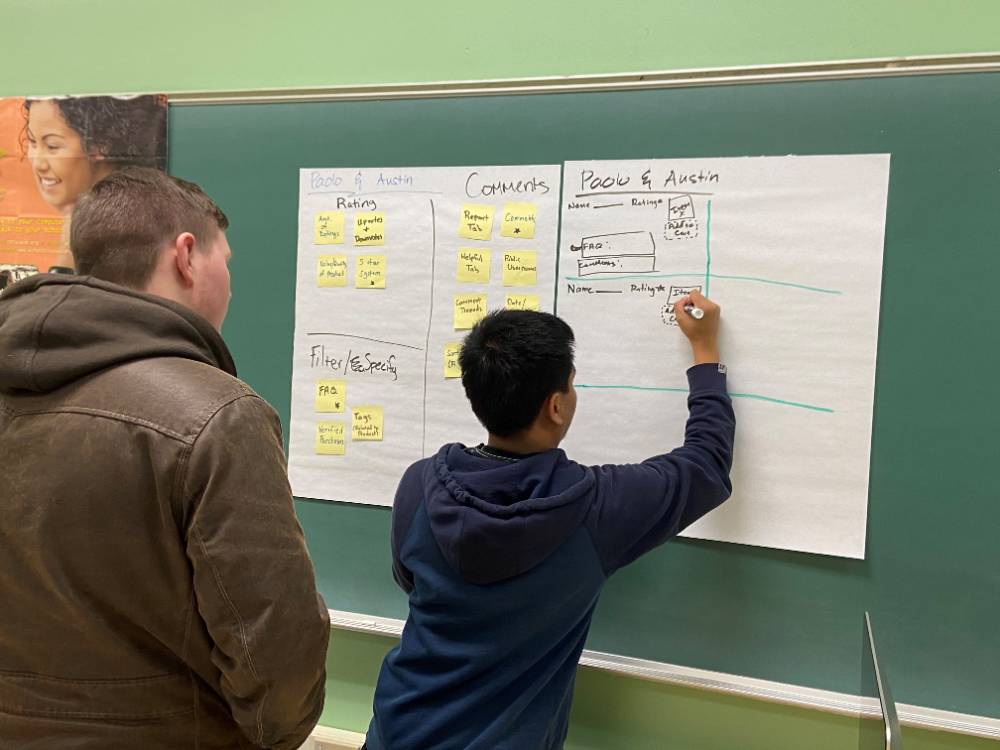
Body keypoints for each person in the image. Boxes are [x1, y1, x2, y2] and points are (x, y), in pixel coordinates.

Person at [0, 167, 330, 749]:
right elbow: (275, 651)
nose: (229, 281)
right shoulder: (217, 415)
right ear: (185, 256)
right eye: (224, 261)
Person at [364, 294, 735, 750]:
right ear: (555, 407)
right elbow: (706, 465)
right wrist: (705, 351)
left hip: (397, 733)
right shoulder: (597, 509)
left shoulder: (419, 485)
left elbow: (411, 581)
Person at [22, 95, 167, 267]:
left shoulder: (131, 227)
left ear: (101, 144)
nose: (38, 163)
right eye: (32, 142)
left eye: (53, 146)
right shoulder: (82, 216)